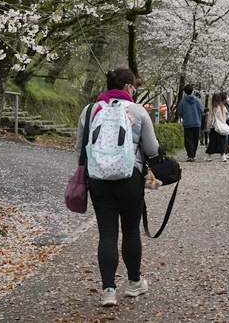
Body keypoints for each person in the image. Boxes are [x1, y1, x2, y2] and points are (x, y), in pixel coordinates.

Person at [75, 67, 159, 307]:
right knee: (131, 230)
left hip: (98, 178)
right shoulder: (137, 110)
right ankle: (134, 283)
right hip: (130, 177)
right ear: (128, 87)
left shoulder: (90, 110)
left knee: (107, 232)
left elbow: (81, 147)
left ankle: (108, 290)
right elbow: (152, 150)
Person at [177, 84, 203, 162]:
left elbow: (179, 112)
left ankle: (190, 155)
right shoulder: (198, 101)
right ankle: (193, 154)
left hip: (187, 123)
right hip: (196, 123)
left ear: (185, 92)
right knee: (195, 140)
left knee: (188, 140)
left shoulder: (182, 102)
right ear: (192, 91)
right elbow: (202, 110)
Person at [205, 92, 229, 162]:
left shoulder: (213, 107)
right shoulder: (223, 107)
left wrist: (208, 127)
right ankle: (223, 156)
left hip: (214, 127)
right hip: (222, 126)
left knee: (212, 142)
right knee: (222, 142)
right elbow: (228, 116)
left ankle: (209, 156)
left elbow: (210, 118)